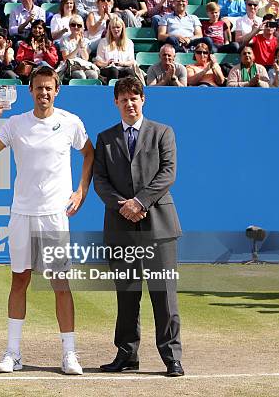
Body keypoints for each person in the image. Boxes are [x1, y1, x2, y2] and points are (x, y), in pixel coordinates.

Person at [0, 66, 94, 375]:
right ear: (30, 91)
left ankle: (69, 354)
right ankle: (13, 353)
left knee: (60, 284)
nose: (44, 93)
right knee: (20, 280)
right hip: (22, 213)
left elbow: (89, 153)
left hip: (54, 215)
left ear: (57, 91)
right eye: (39, 88)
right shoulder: (15, 123)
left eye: (49, 88)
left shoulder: (71, 123)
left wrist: (81, 190)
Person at [93, 76, 184, 378]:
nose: (129, 103)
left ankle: (171, 356)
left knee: (164, 292)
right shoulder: (105, 139)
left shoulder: (163, 132)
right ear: (115, 103)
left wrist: (140, 203)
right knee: (127, 293)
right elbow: (100, 181)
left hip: (159, 226)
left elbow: (168, 173)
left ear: (143, 99)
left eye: (134, 97)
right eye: (123, 99)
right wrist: (123, 205)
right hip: (121, 226)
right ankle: (127, 354)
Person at [95, 15, 139, 84]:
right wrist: (107, 63)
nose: (116, 30)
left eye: (118, 27)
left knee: (129, 71)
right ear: (110, 29)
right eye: (113, 28)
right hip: (108, 69)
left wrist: (122, 63)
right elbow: (98, 62)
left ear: (122, 28)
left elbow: (131, 61)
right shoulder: (103, 42)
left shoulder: (129, 42)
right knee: (113, 70)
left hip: (123, 67)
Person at [58, 14, 98, 80]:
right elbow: (66, 58)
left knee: (93, 74)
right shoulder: (64, 39)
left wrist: (82, 47)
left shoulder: (85, 40)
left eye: (79, 25)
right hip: (70, 67)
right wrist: (77, 48)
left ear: (82, 28)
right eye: (73, 25)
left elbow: (86, 58)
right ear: (70, 26)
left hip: (83, 66)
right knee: (81, 75)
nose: (76, 27)